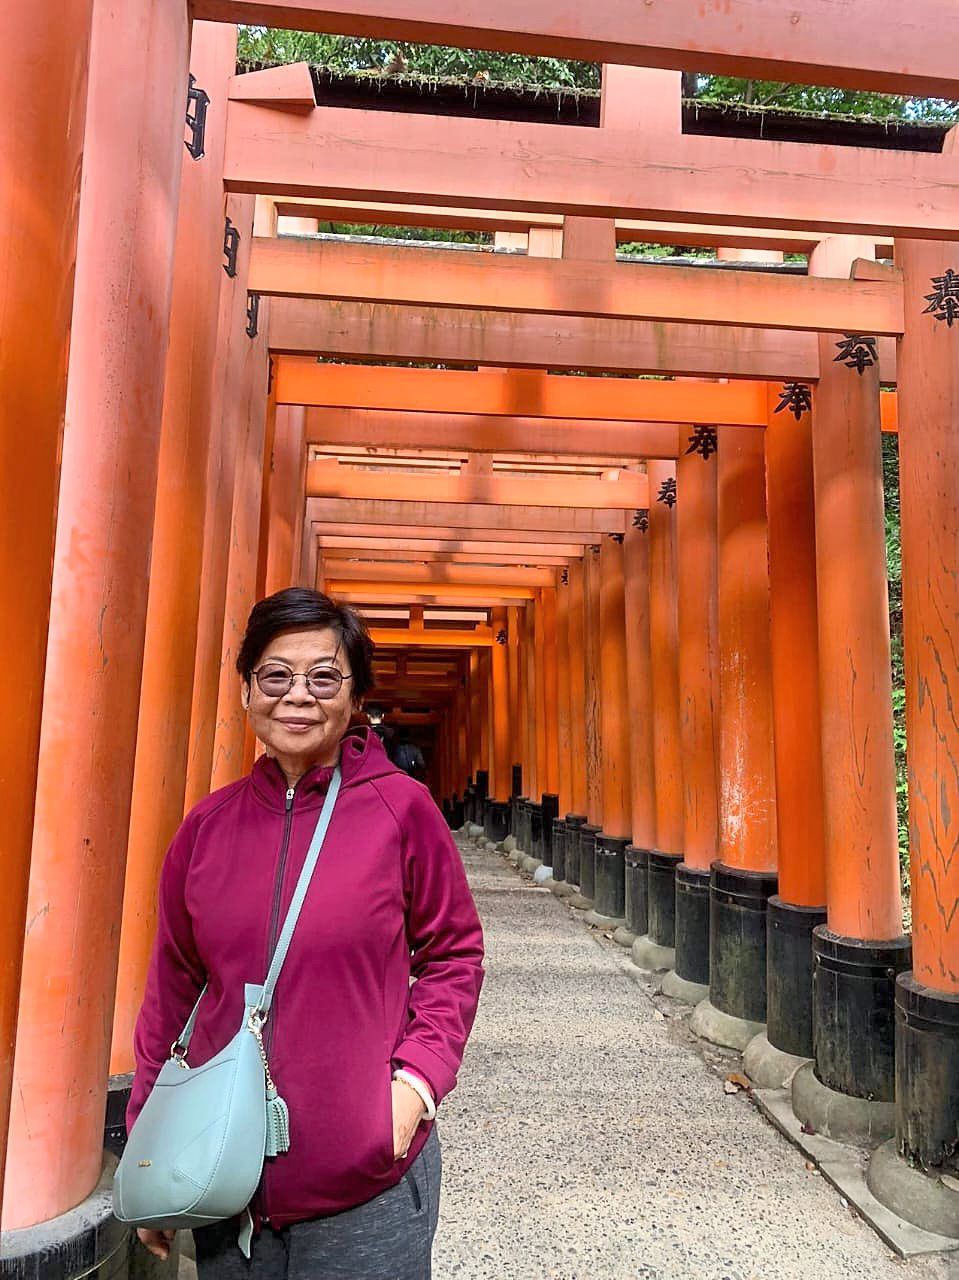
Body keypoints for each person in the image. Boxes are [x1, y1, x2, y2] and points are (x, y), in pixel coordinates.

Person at [128, 588, 485, 1279]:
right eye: (275, 675)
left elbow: (454, 954)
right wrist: (150, 1136)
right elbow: (172, 987)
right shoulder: (207, 827)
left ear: (355, 700)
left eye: (324, 676)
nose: (298, 695)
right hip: (223, 1175)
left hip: (366, 1178)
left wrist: (413, 1085)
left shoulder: (400, 811)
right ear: (246, 690)